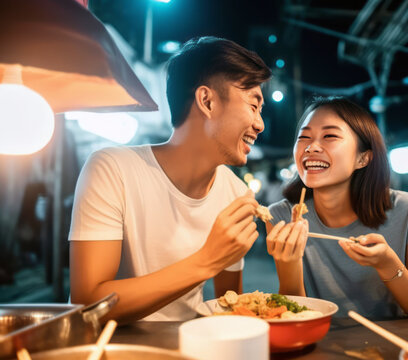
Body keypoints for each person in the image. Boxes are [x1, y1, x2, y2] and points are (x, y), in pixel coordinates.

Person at [69, 36, 271, 323]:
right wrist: (206, 261)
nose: (259, 124)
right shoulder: (112, 169)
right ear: (207, 101)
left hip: (189, 346)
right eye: (253, 105)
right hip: (108, 347)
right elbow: (88, 304)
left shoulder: (237, 194)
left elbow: (229, 308)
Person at [266, 97, 408, 319]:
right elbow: (293, 318)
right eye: (304, 137)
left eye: (329, 136)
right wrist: (289, 264)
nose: (311, 147)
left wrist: (388, 265)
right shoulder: (281, 217)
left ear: (363, 158)